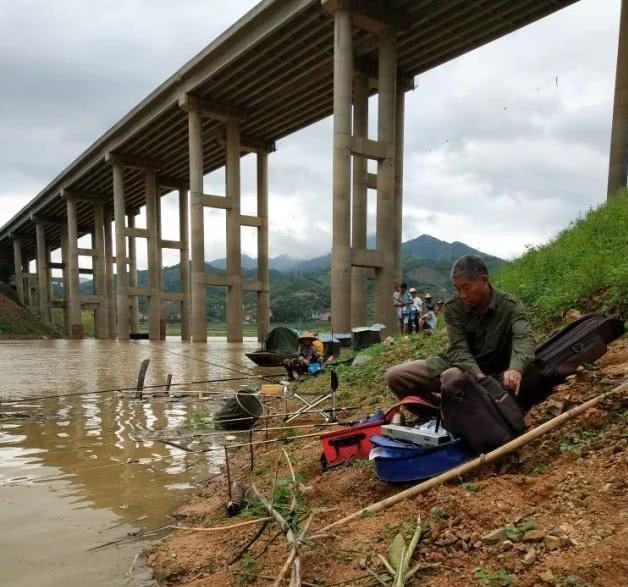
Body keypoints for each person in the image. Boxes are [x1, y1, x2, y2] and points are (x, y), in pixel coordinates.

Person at [385, 255, 535, 406]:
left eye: (466, 287)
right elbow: (458, 349)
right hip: (461, 365)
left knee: (452, 377)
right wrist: (478, 376)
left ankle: (464, 412)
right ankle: (435, 411)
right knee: (395, 376)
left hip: (493, 371)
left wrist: (515, 369)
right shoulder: (453, 307)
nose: (462, 295)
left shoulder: (511, 305)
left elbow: (524, 339)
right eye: (457, 289)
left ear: (484, 280)